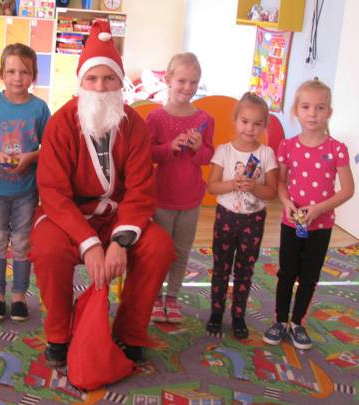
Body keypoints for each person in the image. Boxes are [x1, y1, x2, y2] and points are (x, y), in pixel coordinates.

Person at [30, 21, 175, 368]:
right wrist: (90, 244)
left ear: (120, 82)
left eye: (109, 78)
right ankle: (59, 334)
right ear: (81, 82)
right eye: (92, 79)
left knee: (159, 247)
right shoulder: (61, 123)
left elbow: (141, 189)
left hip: (119, 219)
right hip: (69, 217)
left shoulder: (134, 125)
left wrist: (120, 242)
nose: (100, 87)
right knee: (47, 249)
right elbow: (53, 191)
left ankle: (129, 332)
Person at [263, 80, 354, 350]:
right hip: (291, 223)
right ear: (296, 111)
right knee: (286, 272)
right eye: (306, 107)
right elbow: (281, 182)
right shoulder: (287, 146)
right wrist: (286, 202)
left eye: (319, 107)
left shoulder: (336, 149)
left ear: (329, 112)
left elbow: (348, 190)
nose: (312, 113)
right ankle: (280, 321)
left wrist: (318, 209)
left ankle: (297, 323)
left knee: (309, 276)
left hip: (321, 226)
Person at [0, 43, 51, 322]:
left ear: (34, 76)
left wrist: (30, 157)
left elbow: (50, 148)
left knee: (21, 242)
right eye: (11, 71)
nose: (17, 78)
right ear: (1, 74)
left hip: (26, 190)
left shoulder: (39, 108)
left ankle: (19, 296)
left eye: (24, 72)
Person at [146, 52, 215, 324]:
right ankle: (154, 296)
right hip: (162, 197)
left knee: (182, 250)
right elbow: (147, 154)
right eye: (182, 81)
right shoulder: (155, 118)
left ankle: (172, 297)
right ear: (168, 79)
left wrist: (198, 149)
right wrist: (169, 147)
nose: (188, 87)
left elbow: (208, 157)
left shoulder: (206, 118)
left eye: (194, 82)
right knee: (159, 251)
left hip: (191, 199)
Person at [205, 92, 278, 338]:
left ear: (264, 126)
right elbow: (212, 186)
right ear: (236, 121)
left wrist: (254, 187)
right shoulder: (224, 151)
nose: (250, 128)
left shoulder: (266, 154)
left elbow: (272, 193)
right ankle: (216, 312)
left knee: (245, 269)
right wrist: (232, 184)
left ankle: (238, 315)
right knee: (221, 267)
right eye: (245, 121)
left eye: (257, 123)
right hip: (225, 217)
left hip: (253, 219)